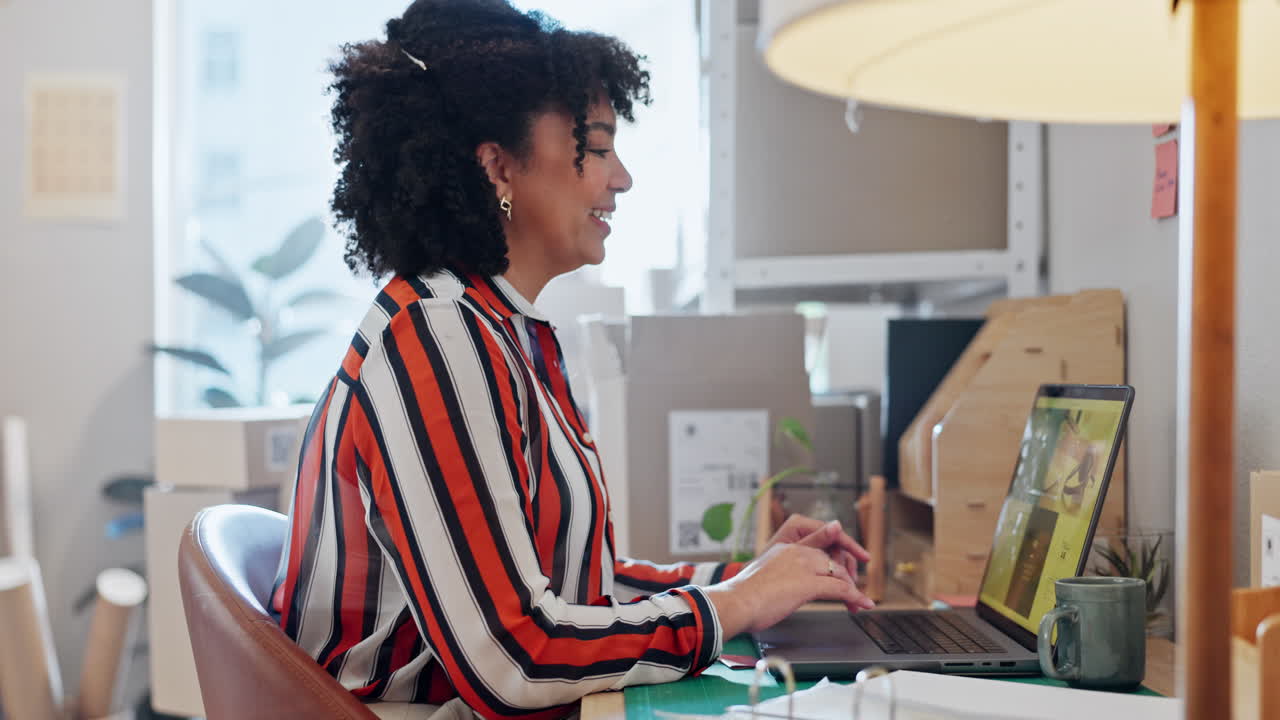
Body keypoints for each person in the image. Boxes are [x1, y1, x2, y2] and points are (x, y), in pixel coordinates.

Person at [272, 2, 875, 718]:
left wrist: (748, 578)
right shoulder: (436, 339)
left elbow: (567, 588)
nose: (621, 179)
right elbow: (517, 655)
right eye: (597, 145)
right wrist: (728, 605)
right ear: (497, 164)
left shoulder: (489, 328)